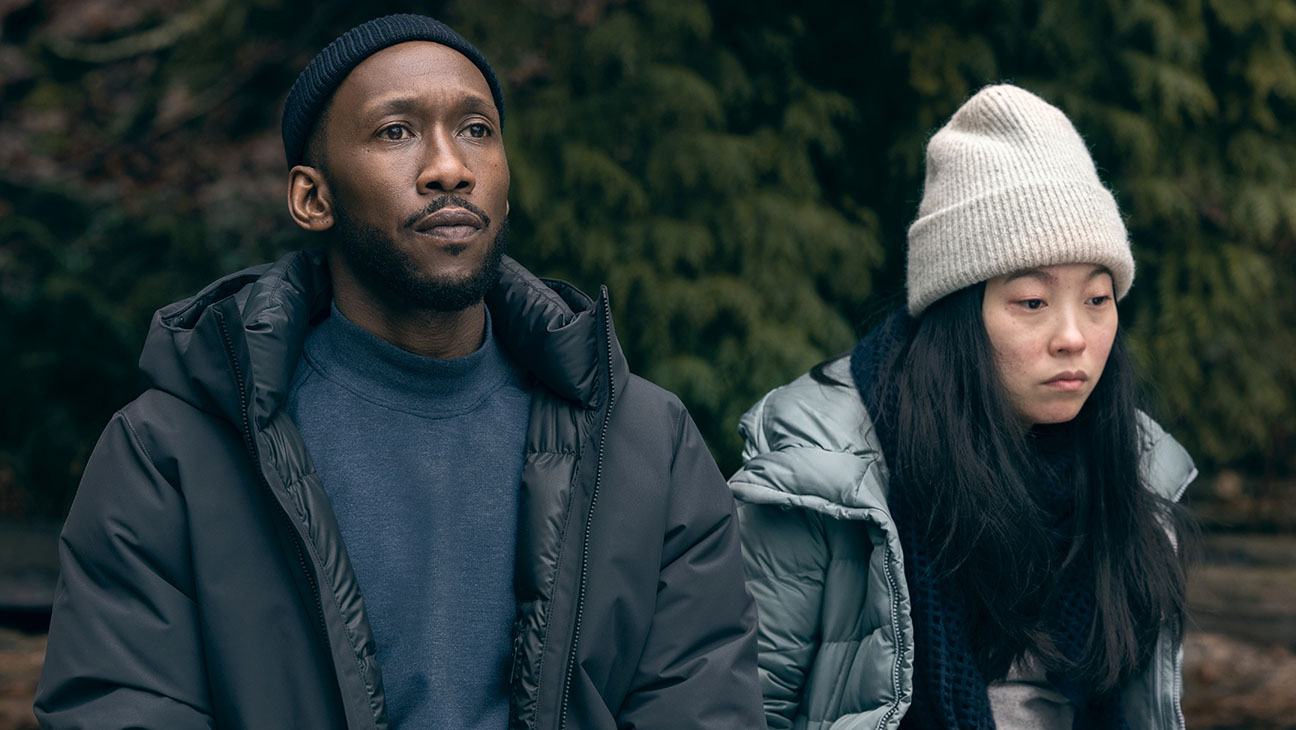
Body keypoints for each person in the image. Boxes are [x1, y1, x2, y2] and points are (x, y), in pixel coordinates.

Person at [35, 14, 761, 730]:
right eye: (395, 131)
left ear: (506, 184)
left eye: (476, 129)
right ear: (313, 198)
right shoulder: (172, 451)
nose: (450, 167)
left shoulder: (646, 442)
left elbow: (702, 709)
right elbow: (121, 706)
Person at [729, 84, 1197, 730]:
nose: (1074, 336)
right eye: (1032, 302)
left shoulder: (1134, 475)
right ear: (958, 316)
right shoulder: (824, 477)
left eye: (1097, 299)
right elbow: (743, 710)